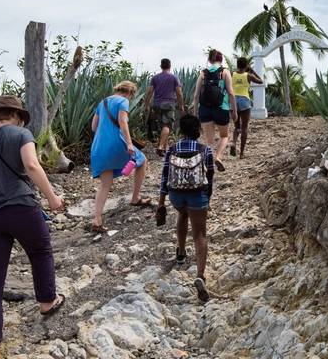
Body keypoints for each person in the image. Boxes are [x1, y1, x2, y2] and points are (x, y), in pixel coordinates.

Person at [0, 95, 65, 356]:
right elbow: (31, 165)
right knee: (40, 252)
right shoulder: (21, 134)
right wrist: (52, 198)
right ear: (17, 116)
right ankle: (46, 302)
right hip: (21, 206)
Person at [158, 114, 215, 302]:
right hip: (197, 194)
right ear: (197, 130)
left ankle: (181, 253)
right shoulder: (204, 149)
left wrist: (161, 202)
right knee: (200, 234)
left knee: (182, 214)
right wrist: (207, 196)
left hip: (176, 194)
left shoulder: (172, 149)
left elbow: (165, 175)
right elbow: (210, 174)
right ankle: (200, 275)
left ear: (181, 131)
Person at [90, 81, 150, 232]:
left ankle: (97, 219)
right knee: (141, 160)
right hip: (117, 144)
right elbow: (123, 122)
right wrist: (129, 143)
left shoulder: (102, 102)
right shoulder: (123, 101)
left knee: (105, 184)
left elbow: (93, 127)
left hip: (98, 147)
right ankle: (135, 198)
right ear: (130, 93)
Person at [191, 49, 237, 172]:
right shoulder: (225, 72)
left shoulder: (203, 73)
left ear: (210, 60)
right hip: (221, 108)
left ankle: (207, 164)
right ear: (221, 59)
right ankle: (218, 157)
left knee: (209, 141)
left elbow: (196, 96)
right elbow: (231, 93)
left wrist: (195, 114)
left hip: (205, 109)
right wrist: (234, 111)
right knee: (224, 136)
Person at [144, 58, 185, 157]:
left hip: (156, 104)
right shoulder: (174, 78)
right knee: (167, 126)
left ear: (161, 66)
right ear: (170, 66)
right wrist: (181, 105)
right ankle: (161, 147)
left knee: (162, 127)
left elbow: (149, 92)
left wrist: (146, 104)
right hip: (168, 104)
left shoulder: (155, 78)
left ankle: (165, 150)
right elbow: (179, 93)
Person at [230, 57, 264, 159]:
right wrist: (252, 71)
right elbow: (261, 81)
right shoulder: (249, 75)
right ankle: (241, 154)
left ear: (237, 65)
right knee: (244, 128)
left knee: (237, 127)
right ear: (246, 65)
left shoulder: (232, 74)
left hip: (234, 102)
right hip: (244, 101)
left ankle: (234, 143)